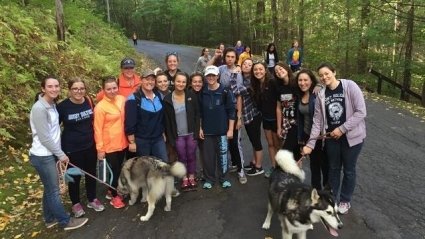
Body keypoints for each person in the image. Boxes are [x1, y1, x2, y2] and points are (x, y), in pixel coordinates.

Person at [302, 62, 366, 215]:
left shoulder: (350, 86)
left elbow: (361, 112)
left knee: (349, 170)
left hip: (352, 138)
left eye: (327, 73)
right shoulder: (321, 95)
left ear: (334, 72)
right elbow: (317, 122)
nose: (324, 77)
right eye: (321, 75)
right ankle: (332, 199)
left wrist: (342, 129)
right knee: (333, 170)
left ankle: (345, 200)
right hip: (331, 139)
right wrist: (310, 144)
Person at [29, 76, 88, 230]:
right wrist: (60, 154)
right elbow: (44, 137)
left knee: (49, 188)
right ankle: (65, 221)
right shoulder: (39, 108)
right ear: (43, 89)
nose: (54, 89)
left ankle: (49, 218)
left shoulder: (51, 104)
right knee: (54, 190)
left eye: (56, 86)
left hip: (51, 153)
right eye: (50, 86)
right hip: (43, 155)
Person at [57, 78, 105, 218]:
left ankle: (92, 199)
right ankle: (76, 203)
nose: (79, 91)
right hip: (72, 148)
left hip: (90, 145)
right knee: (75, 176)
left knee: (91, 173)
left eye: (81, 88)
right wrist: (58, 151)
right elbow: (55, 128)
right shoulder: (62, 107)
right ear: (69, 90)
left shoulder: (88, 101)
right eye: (75, 89)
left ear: (85, 89)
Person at [94, 76, 128, 209]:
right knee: (114, 171)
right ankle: (115, 197)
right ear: (103, 90)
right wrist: (100, 149)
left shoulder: (121, 99)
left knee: (119, 168)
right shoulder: (100, 107)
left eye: (114, 88)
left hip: (122, 142)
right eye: (109, 89)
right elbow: (97, 129)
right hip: (110, 145)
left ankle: (111, 189)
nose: (112, 91)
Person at [199, 65, 235, 189]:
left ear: (218, 76)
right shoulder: (202, 92)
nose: (211, 77)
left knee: (223, 156)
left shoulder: (225, 91)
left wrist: (230, 129)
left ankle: (224, 178)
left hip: (222, 131)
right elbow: (199, 113)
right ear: (205, 77)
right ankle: (209, 179)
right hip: (207, 131)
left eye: (213, 75)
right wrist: (200, 128)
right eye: (208, 75)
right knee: (208, 157)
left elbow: (231, 111)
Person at [163, 72, 200, 191]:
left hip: (190, 133)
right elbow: (167, 120)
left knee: (191, 156)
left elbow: (197, 114)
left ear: (186, 83)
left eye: (183, 82)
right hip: (178, 135)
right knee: (181, 157)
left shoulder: (191, 96)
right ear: (174, 82)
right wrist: (170, 136)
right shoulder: (168, 99)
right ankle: (184, 178)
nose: (181, 84)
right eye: (178, 81)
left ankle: (192, 176)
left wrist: (197, 130)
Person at [216, 48, 246, 183]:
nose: (229, 59)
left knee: (235, 142)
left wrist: (239, 117)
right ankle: (231, 164)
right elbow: (207, 71)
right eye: (227, 56)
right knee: (225, 140)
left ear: (236, 58)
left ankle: (241, 170)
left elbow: (239, 96)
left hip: (233, 110)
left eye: (232, 57)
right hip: (221, 110)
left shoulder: (237, 73)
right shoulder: (221, 69)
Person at [125, 69, 168, 162]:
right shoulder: (134, 98)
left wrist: (163, 132)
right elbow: (130, 122)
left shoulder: (158, 95)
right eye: (147, 79)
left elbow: (161, 118)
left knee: (163, 164)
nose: (150, 82)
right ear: (141, 80)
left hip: (158, 139)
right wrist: (131, 142)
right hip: (142, 140)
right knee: (145, 167)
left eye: (152, 79)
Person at [296, 69, 328, 190]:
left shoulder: (318, 94)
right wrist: (302, 140)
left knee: (325, 165)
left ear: (311, 81)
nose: (303, 83)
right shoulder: (299, 94)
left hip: (320, 137)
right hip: (307, 135)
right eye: (300, 80)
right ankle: (317, 192)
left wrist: (320, 84)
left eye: (306, 80)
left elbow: (330, 84)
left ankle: (328, 191)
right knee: (314, 166)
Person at [248, 62, 277, 176]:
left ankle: (282, 169)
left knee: (278, 145)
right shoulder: (255, 85)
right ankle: (274, 167)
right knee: (270, 144)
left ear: (265, 70)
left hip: (276, 119)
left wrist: (317, 85)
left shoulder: (272, 82)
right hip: (266, 119)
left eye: (260, 69)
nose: (258, 71)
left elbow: (288, 84)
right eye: (255, 70)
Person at [238, 58, 263, 181]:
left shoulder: (252, 81)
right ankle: (254, 161)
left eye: (249, 65)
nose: (247, 66)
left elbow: (239, 90)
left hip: (254, 113)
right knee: (253, 139)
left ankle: (259, 166)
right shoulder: (241, 77)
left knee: (256, 140)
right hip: (246, 114)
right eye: (245, 64)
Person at [274, 62, 301, 161]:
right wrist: (279, 127)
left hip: (297, 123)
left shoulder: (297, 83)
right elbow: (278, 108)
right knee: (296, 152)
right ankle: (296, 174)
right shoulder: (279, 88)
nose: (279, 72)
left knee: (286, 151)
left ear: (286, 68)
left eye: (281, 69)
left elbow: (309, 84)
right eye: (276, 71)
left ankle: (282, 174)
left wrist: (317, 86)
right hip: (286, 122)